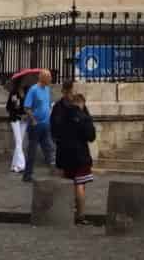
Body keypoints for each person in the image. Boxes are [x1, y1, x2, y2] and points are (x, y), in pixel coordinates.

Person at [51, 83, 96, 226]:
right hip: (80, 155)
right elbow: (91, 136)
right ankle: (80, 215)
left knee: (67, 181)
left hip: (64, 152)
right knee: (80, 184)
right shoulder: (83, 116)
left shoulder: (61, 111)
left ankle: (62, 211)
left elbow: (54, 129)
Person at [21, 68, 55, 182]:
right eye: (49, 77)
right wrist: (33, 120)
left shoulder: (47, 89)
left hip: (46, 124)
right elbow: (27, 107)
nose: (51, 79)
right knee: (32, 151)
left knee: (49, 148)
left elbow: (48, 104)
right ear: (42, 78)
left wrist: (50, 114)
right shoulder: (33, 90)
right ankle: (27, 175)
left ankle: (54, 171)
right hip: (35, 125)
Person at [6, 81, 27, 172]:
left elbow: (28, 106)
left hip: (24, 120)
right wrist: (17, 111)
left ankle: (14, 165)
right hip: (15, 119)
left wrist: (25, 114)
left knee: (20, 142)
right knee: (18, 141)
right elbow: (9, 107)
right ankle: (21, 165)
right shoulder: (14, 93)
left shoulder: (27, 92)